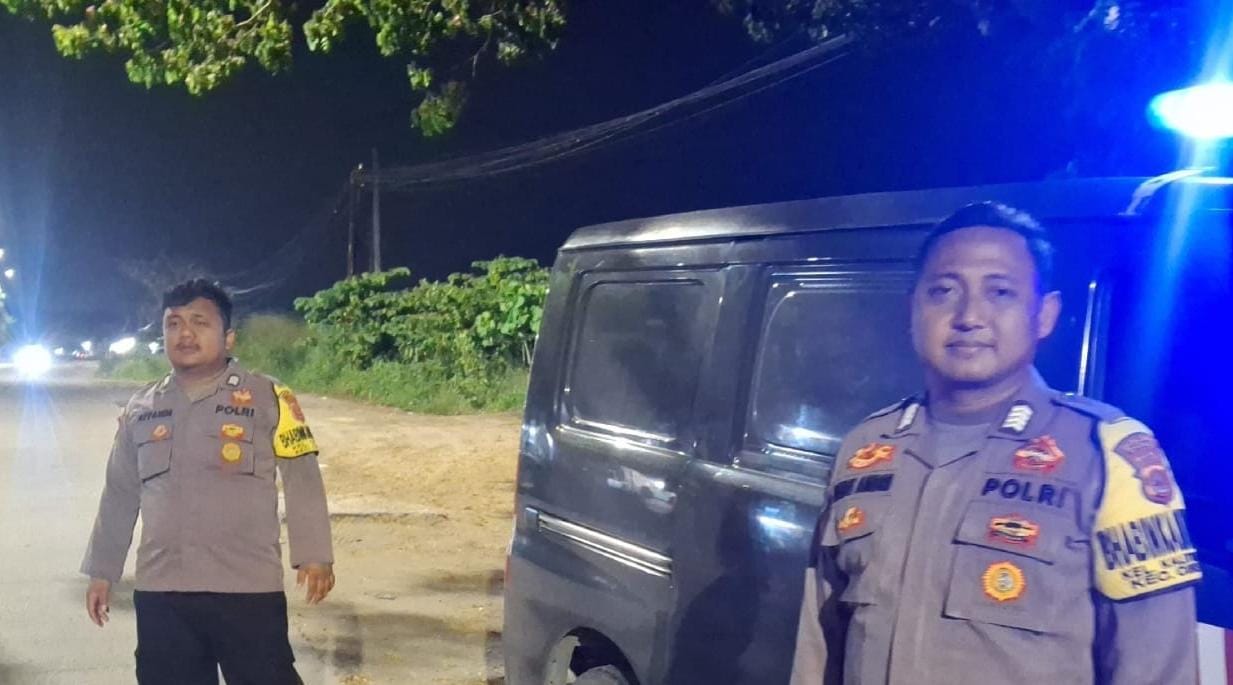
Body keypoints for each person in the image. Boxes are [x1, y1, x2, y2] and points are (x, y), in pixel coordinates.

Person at [789, 203, 1200, 685]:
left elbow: (1159, 669)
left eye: (1000, 292)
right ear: (912, 309)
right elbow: (819, 644)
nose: (969, 316)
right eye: (943, 291)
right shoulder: (865, 450)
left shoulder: (1106, 455)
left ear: (1044, 314)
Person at [81, 279, 334, 685]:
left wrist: (315, 553)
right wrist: (102, 571)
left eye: (199, 322)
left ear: (228, 337)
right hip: (163, 590)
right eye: (173, 323)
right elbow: (119, 493)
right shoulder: (140, 408)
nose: (185, 333)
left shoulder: (268, 397)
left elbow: (301, 474)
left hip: (247, 588)